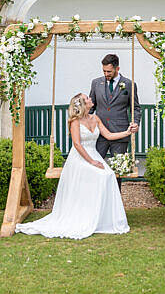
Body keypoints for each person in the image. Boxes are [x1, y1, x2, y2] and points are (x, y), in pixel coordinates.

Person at [15, 93, 134, 240]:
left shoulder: (95, 118)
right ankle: (88, 215)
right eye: (88, 99)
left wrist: (127, 132)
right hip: (80, 158)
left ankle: (104, 218)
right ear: (83, 105)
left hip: (93, 155)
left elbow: (108, 135)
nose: (91, 99)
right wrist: (91, 162)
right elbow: (77, 144)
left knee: (108, 175)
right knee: (100, 175)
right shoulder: (75, 122)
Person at [89, 53, 142, 190]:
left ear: (117, 69)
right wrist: (83, 125)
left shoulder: (129, 84)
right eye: (104, 71)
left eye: (109, 71)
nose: (106, 74)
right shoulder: (96, 83)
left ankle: (115, 202)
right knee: (95, 166)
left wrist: (135, 122)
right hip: (99, 134)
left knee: (118, 170)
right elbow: (90, 107)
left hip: (120, 134)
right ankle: (96, 196)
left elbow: (135, 108)